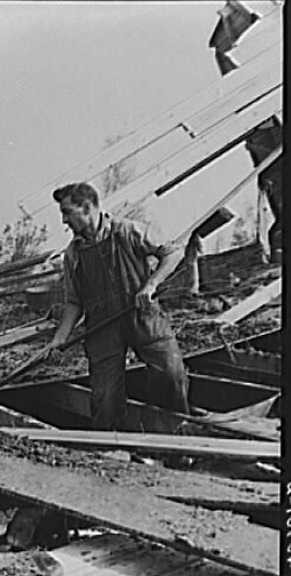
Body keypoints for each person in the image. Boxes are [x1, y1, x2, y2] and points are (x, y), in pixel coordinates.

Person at [45, 182, 190, 430]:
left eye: (67, 212)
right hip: (102, 328)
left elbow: (173, 252)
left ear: (87, 207)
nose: (64, 221)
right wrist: (59, 338)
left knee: (171, 375)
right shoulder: (73, 254)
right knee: (104, 398)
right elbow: (74, 302)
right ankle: (110, 452)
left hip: (143, 316)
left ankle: (179, 445)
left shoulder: (126, 231)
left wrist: (151, 285)